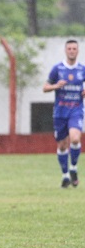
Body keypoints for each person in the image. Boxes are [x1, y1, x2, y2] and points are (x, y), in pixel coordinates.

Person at [43, 39, 85, 188]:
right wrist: (56, 85)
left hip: (76, 110)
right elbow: (45, 87)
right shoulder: (58, 69)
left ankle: (73, 167)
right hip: (60, 111)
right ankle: (65, 175)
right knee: (62, 145)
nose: (72, 51)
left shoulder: (82, 69)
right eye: (69, 49)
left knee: (74, 139)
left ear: (78, 51)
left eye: (74, 48)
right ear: (65, 51)